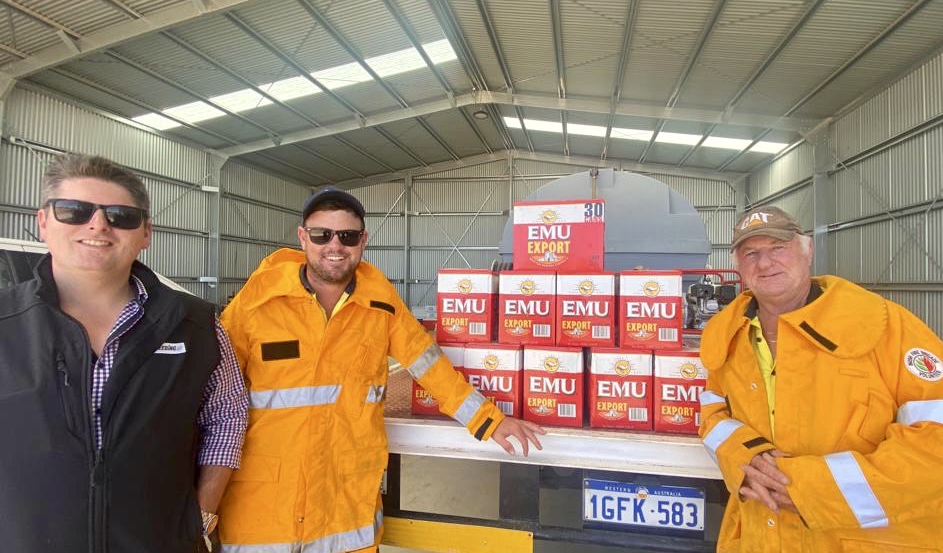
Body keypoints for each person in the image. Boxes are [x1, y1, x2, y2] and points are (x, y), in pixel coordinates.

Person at [218, 187, 545, 553]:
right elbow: (211, 392)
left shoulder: (381, 303)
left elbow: (430, 366)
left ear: (363, 241)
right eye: (322, 235)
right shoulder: (257, 303)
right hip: (263, 509)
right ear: (302, 237)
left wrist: (489, 420)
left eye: (348, 236)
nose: (335, 246)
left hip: (346, 506)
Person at [0, 154, 248, 553]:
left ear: (145, 232)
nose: (98, 225)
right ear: (43, 222)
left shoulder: (197, 326)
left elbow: (227, 418)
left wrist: (200, 516)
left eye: (121, 215)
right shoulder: (5, 324)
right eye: (74, 211)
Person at [698, 205, 943, 551]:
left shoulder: (885, 326)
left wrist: (810, 489)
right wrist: (747, 457)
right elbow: (713, 412)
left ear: (808, 250)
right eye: (751, 253)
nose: (765, 263)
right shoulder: (729, 334)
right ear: (738, 266)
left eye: (778, 248)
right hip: (764, 534)